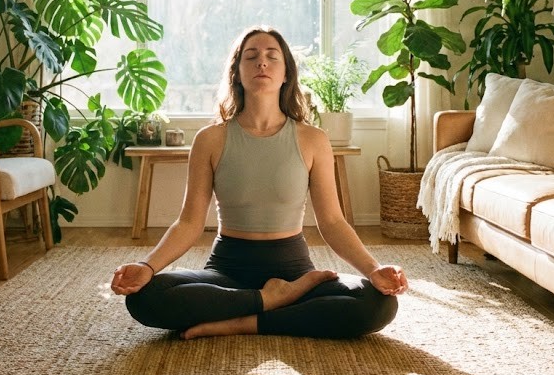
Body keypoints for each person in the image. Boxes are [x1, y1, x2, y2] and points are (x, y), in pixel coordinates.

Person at [110, 26, 408, 340]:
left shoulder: (313, 139)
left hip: (295, 273)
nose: (261, 63)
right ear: (237, 73)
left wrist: (373, 270)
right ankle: (271, 301)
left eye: (271, 57)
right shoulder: (210, 139)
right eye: (251, 57)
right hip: (227, 271)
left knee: (379, 304)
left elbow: (333, 221)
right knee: (144, 297)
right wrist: (148, 265)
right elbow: (188, 222)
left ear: (286, 73)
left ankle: (243, 321)